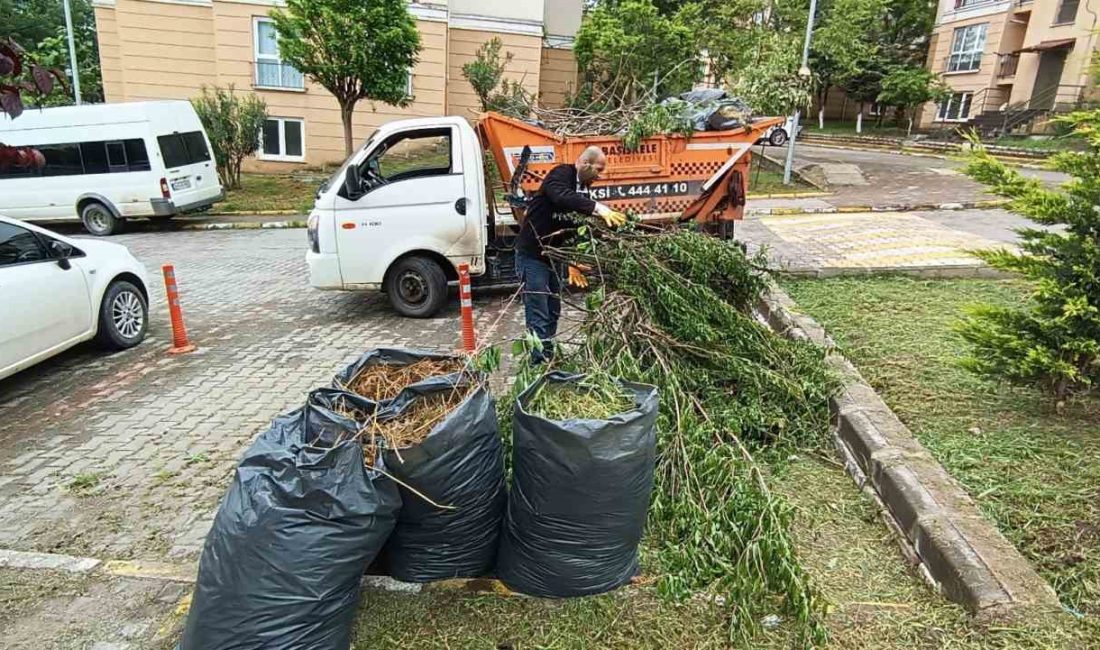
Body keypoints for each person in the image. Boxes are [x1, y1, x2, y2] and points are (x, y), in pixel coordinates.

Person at [514, 145, 627, 363]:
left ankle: (548, 356)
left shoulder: (583, 188)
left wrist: (574, 260)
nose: (600, 176)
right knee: (539, 312)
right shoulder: (561, 174)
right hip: (532, 256)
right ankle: (539, 365)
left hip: (554, 256)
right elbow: (562, 197)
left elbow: (574, 227)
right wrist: (600, 209)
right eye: (599, 169)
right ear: (585, 164)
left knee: (554, 310)